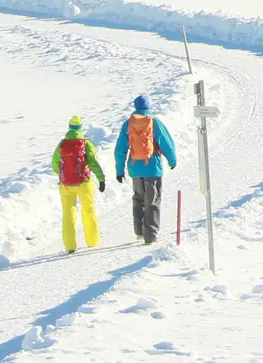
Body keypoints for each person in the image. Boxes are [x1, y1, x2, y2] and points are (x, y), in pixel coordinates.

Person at [114, 94, 176, 245]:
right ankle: (151, 236)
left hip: (135, 168)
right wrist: (172, 160)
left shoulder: (128, 124)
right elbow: (167, 143)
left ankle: (139, 233)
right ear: (148, 106)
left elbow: (120, 149)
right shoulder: (154, 122)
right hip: (152, 168)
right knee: (152, 201)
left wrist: (120, 170)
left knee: (139, 199)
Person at [52, 115, 106, 254]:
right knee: (88, 210)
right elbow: (93, 162)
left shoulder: (62, 144)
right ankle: (92, 241)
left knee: (68, 214)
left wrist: (64, 175)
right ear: (80, 128)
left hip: (66, 185)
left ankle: (70, 246)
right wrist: (101, 179)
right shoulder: (85, 143)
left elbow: (54, 164)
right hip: (84, 183)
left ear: (69, 128)